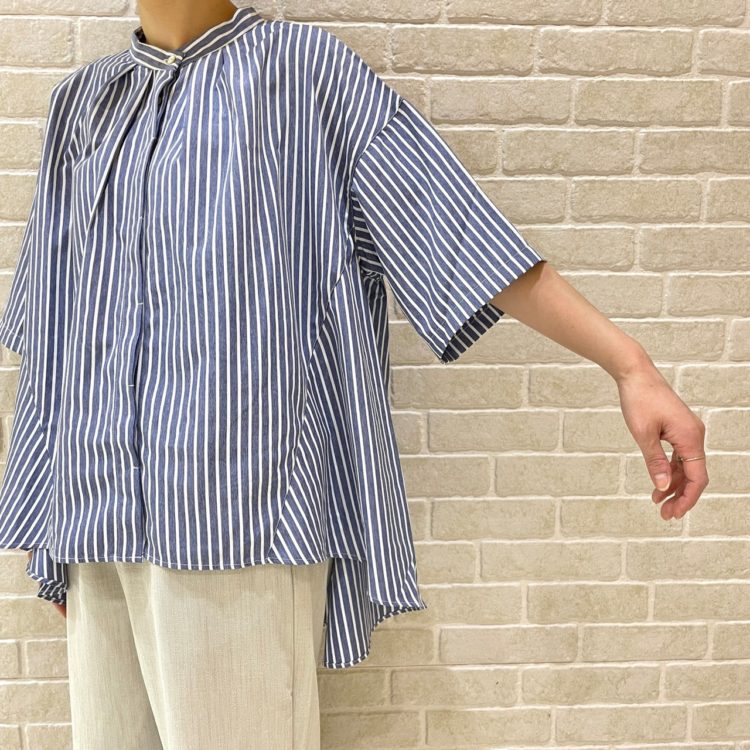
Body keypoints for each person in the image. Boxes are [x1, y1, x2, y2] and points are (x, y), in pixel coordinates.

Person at [0, 1, 708, 748]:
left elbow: (453, 232)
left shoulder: (306, 74)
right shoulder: (83, 102)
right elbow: (53, 327)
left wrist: (629, 365)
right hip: (95, 516)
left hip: (238, 517)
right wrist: (50, 529)